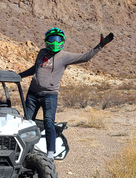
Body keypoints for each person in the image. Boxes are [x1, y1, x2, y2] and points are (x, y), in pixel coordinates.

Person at [19, 27, 114, 160]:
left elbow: (85, 57)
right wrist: (20, 75)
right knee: (27, 123)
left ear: (63, 41)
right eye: (52, 39)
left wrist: (100, 45)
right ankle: (24, 152)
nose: (55, 42)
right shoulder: (41, 53)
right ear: (46, 40)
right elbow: (35, 68)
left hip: (49, 95)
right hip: (33, 94)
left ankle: (50, 154)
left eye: (58, 39)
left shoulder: (65, 56)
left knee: (49, 122)